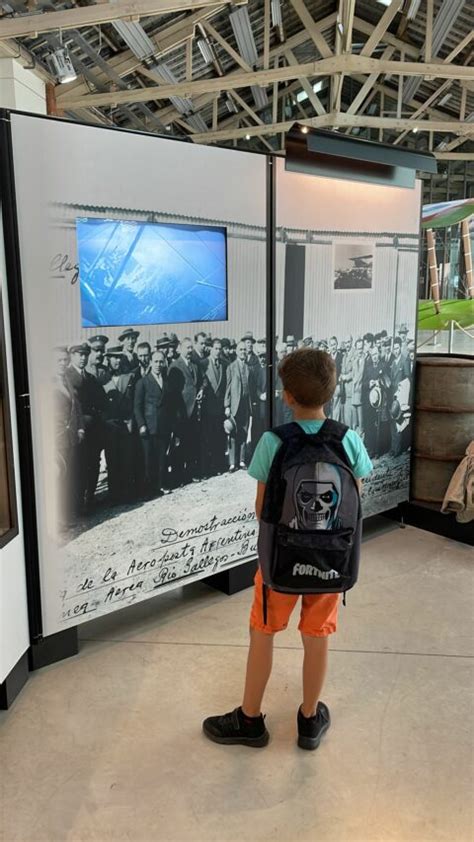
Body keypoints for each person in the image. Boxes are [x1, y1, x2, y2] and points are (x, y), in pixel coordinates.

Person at [202, 348, 372, 748]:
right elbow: (357, 499)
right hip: (331, 560)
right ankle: (310, 720)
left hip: (279, 561)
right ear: (331, 392)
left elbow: (263, 508)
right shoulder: (348, 439)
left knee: (262, 632)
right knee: (318, 636)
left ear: (287, 396)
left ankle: (249, 720)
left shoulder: (272, 441)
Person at [66, 342, 106, 511]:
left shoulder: (91, 378)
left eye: (85, 355)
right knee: (79, 464)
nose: (83, 358)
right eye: (79, 355)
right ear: (72, 356)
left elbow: (101, 401)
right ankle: (77, 502)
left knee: (94, 462)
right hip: (78, 429)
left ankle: (90, 497)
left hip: (94, 428)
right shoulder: (67, 376)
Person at [52, 346, 84, 524]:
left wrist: (80, 428)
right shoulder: (48, 382)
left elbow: (76, 407)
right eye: (59, 360)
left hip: (71, 436)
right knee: (58, 476)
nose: (63, 363)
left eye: (65, 360)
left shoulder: (67, 381)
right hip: (56, 438)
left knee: (69, 475)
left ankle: (66, 515)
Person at [134, 350, 171, 498]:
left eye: (161, 362)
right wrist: (141, 424)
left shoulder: (166, 381)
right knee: (148, 459)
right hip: (149, 426)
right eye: (155, 361)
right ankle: (148, 489)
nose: (158, 365)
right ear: (150, 362)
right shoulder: (143, 382)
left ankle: (161, 484)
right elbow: (137, 406)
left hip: (163, 426)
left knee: (162, 458)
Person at [103, 347, 136, 503]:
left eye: (118, 358)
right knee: (112, 460)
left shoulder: (128, 377)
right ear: (108, 359)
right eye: (113, 358)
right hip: (110, 425)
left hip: (126, 423)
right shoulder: (103, 378)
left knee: (126, 460)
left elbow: (133, 400)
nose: (116, 361)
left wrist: (130, 420)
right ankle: (114, 495)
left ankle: (127, 493)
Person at [168, 338, 203, 484]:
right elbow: (172, 392)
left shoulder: (195, 365)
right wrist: (176, 413)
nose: (190, 351)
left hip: (194, 412)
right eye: (187, 348)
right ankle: (178, 477)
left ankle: (190, 473)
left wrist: (201, 390)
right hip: (180, 413)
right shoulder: (175, 366)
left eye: (191, 348)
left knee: (191, 442)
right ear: (180, 349)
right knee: (178, 445)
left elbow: (202, 381)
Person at [224, 341, 252, 471]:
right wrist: (227, 405)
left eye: (244, 350)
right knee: (233, 434)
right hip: (235, 405)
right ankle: (232, 463)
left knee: (244, 432)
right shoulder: (231, 367)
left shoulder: (248, 368)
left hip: (245, 406)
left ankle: (241, 461)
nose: (243, 352)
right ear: (236, 351)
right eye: (240, 349)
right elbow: (228, 388)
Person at [202, 339, 227, 476]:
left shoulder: (224, 364)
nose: (218, 352)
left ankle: (218, 465)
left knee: (219, 437)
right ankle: (209, 467)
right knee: (208, 438)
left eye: (220, 349)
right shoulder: (203, 364)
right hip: (208, 408)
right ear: (211, 349)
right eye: (216, 349)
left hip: (220, 408)